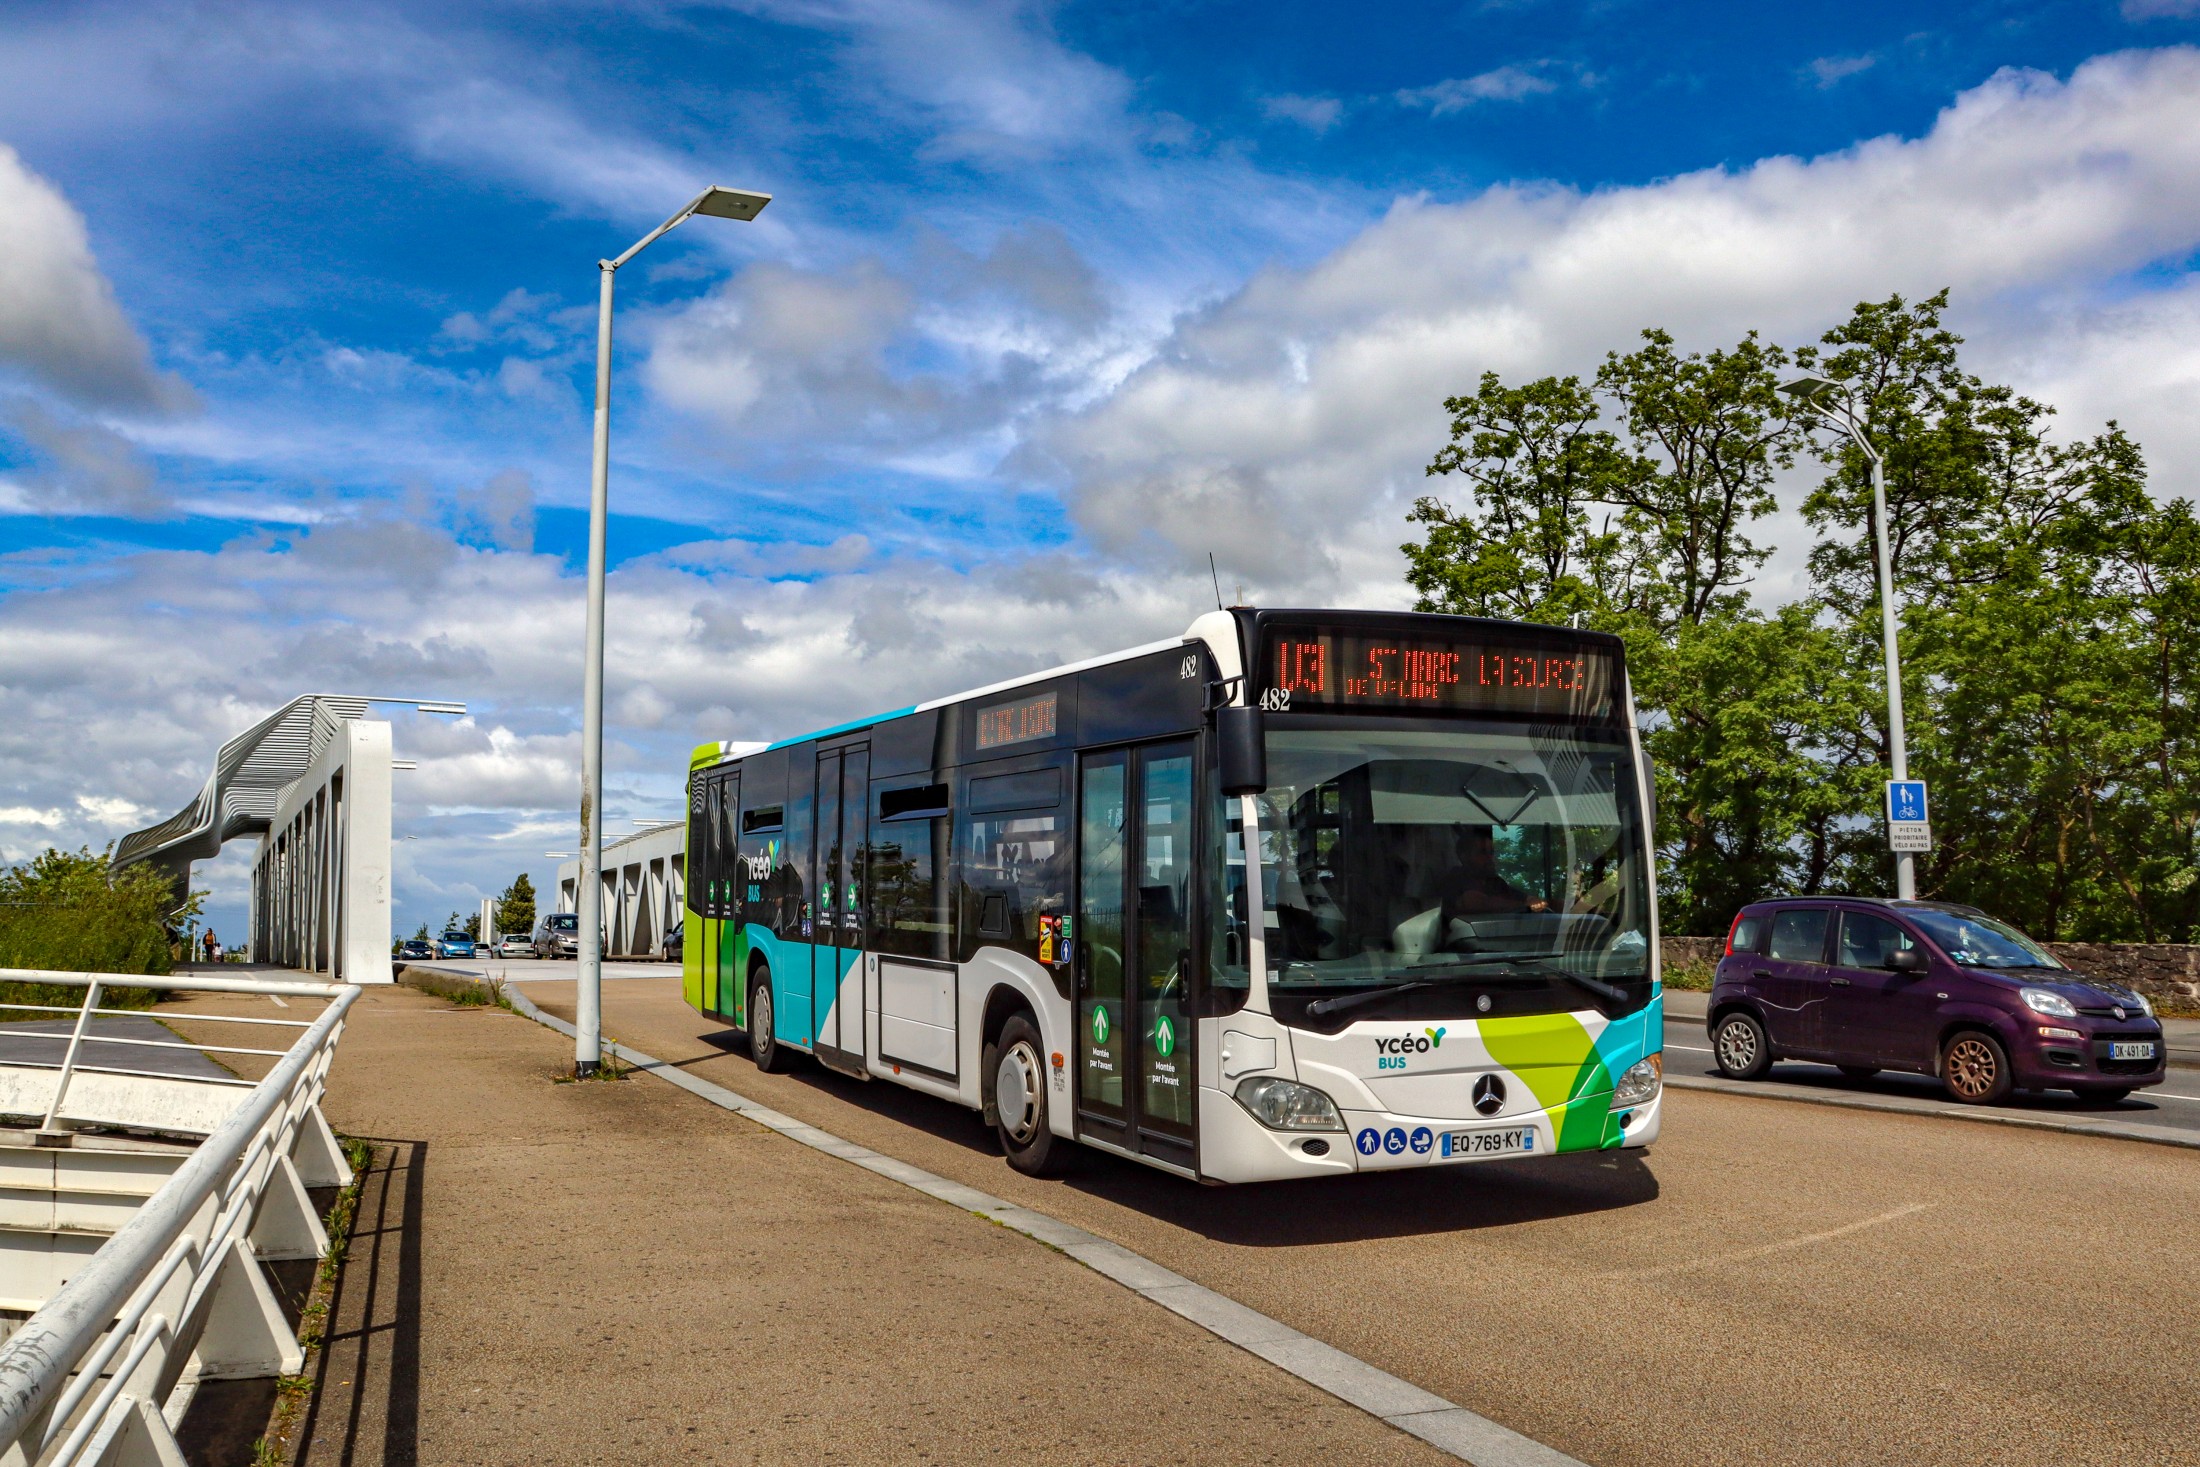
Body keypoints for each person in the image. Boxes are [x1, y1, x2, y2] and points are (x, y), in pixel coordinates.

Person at [1438, 826, 1549, 927]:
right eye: (1482, 852)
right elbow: (1475, 903)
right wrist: (1524, 906)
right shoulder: (1455, 879)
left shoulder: (1496, 882)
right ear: (1464, 856)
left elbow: (1532, 901)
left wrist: (1532, 903)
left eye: (1491, 852)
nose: (1490, 858)